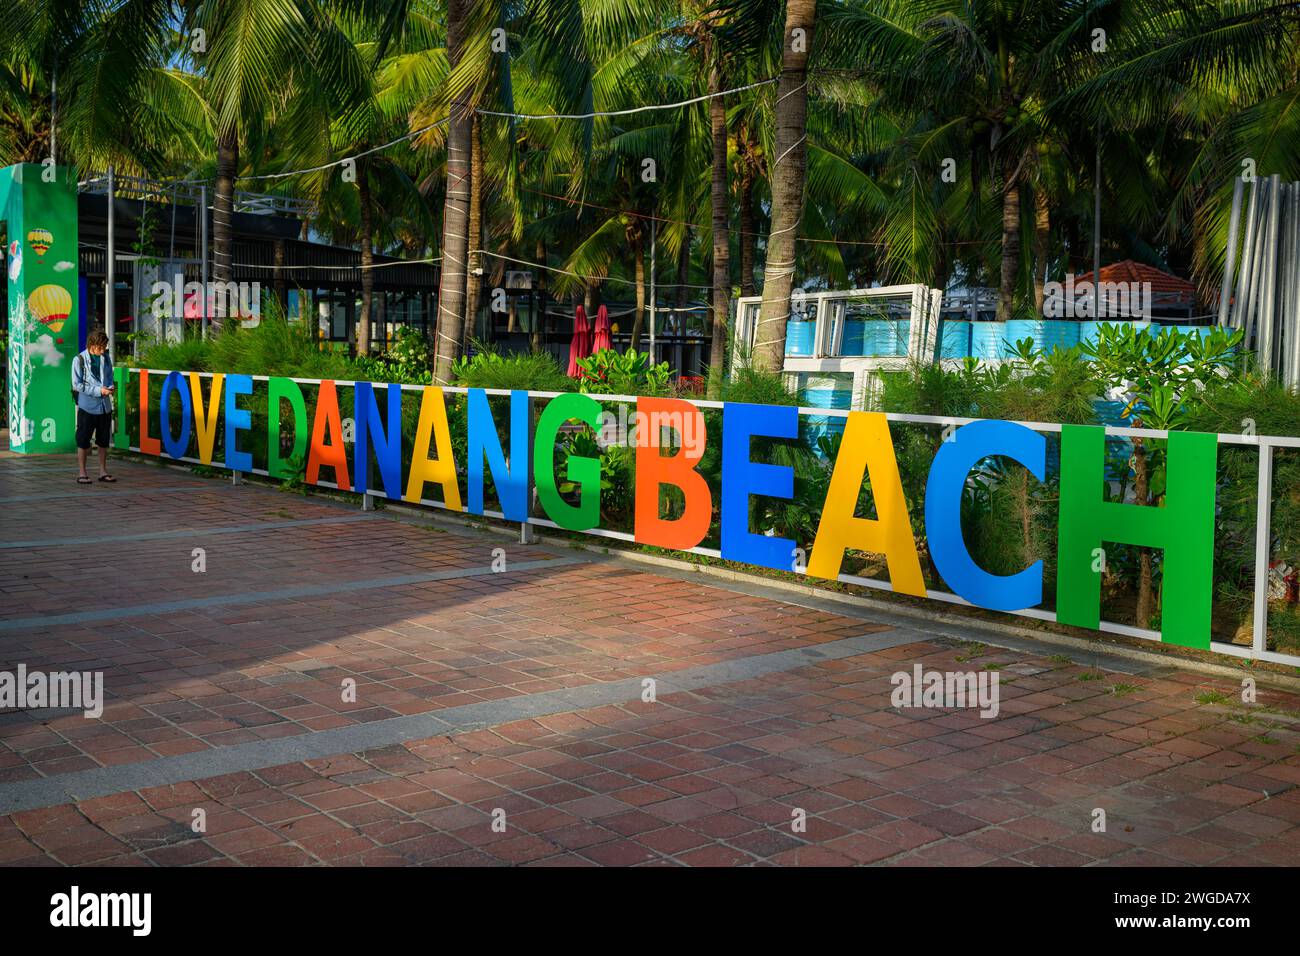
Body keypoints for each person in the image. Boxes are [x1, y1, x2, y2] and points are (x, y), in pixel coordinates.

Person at [71, 329, 116, 484]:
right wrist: (98, 391)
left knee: (103, 440)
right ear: (92, 344)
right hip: (87, 406)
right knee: (83, 440)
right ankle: (82, 472)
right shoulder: (79, 360)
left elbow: (110, 375)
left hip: (104, 406)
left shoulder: (106, 357)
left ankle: (103, 471)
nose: (102, 350)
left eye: (104, 347)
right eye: (100, 347)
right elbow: (76, 385)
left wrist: (110, 386)